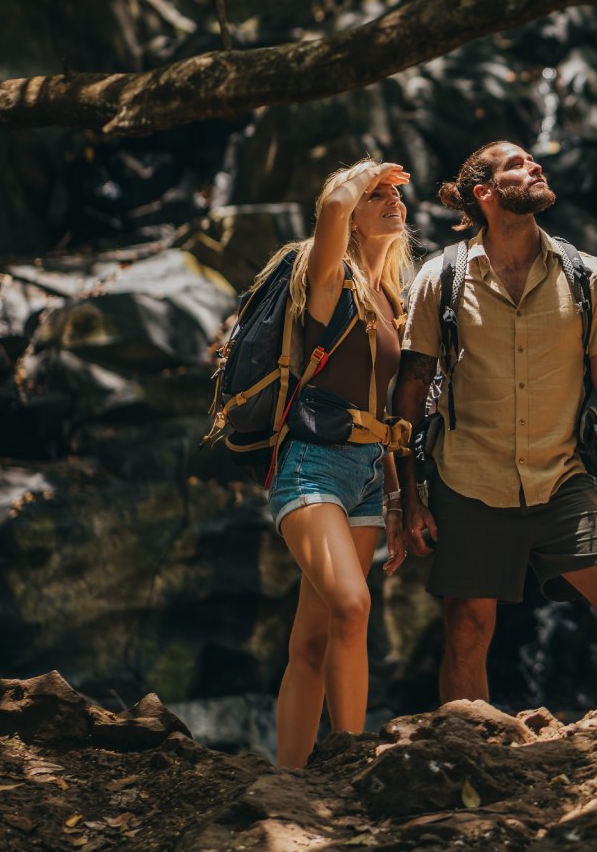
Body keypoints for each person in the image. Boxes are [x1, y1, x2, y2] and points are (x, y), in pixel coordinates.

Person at [392, 141, 597, 705]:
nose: (534, 166)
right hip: (468, 482)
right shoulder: (441, 278)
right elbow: (409, 394)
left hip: (563, 480)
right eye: (516, 164)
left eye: (534, 160)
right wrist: (407, 498)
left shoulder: (586, 275)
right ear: (484, 193)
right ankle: (469, 759)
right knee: (466, 629)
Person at [255, 158, 415, 768]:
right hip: (312, 468)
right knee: (353, 606)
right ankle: (353, 762)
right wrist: (362, 173)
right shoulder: (328, 279)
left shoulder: (392, 297)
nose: (390, 201)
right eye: (375, 197)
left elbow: (388, 414)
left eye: (395, 195)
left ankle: (288, 775)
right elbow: (328, 211)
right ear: (353, 215)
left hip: (370, 478)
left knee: (315, 638)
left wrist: (397, 499)